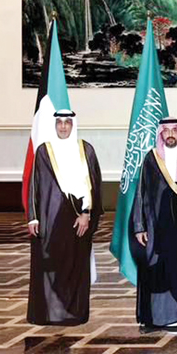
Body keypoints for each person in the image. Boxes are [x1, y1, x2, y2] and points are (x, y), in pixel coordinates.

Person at [131, 117, 177, 338]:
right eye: (167, 131)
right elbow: (141, 193)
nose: (171, 135)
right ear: (161, 134)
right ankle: (159, 316)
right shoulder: (152, 159)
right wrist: (139, 226)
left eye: (175, 131)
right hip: (158, 228)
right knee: (160, 269)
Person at [26, 110, 103, 325]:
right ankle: (49, 313)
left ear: (73, 125)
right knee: (50, 265)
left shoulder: (85, 150)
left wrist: (87, 214)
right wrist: (33, 217)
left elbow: (94, 186)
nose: (63, 127)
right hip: (50, 219)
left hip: (78, 218)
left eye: (67, 122)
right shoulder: (44, 151)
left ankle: (75, 313)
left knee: (76, 266)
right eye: (59, 122)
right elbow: (35, 185)